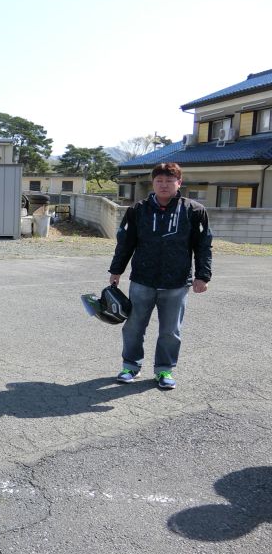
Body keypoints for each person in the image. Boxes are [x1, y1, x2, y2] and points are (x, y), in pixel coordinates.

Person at [108, 162, 212, 390]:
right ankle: (130, 366)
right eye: (159, 181)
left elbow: (203, 246)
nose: (164, 185)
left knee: (170, 331)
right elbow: (125, 243)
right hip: (142, 280)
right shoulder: (138, 209)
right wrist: (116, 270)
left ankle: (164, 370)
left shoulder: (194, 210)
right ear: (153, 183)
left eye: (169, 181)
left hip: (177, 282)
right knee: (134, 327)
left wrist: (202, 276)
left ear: (179, 182)